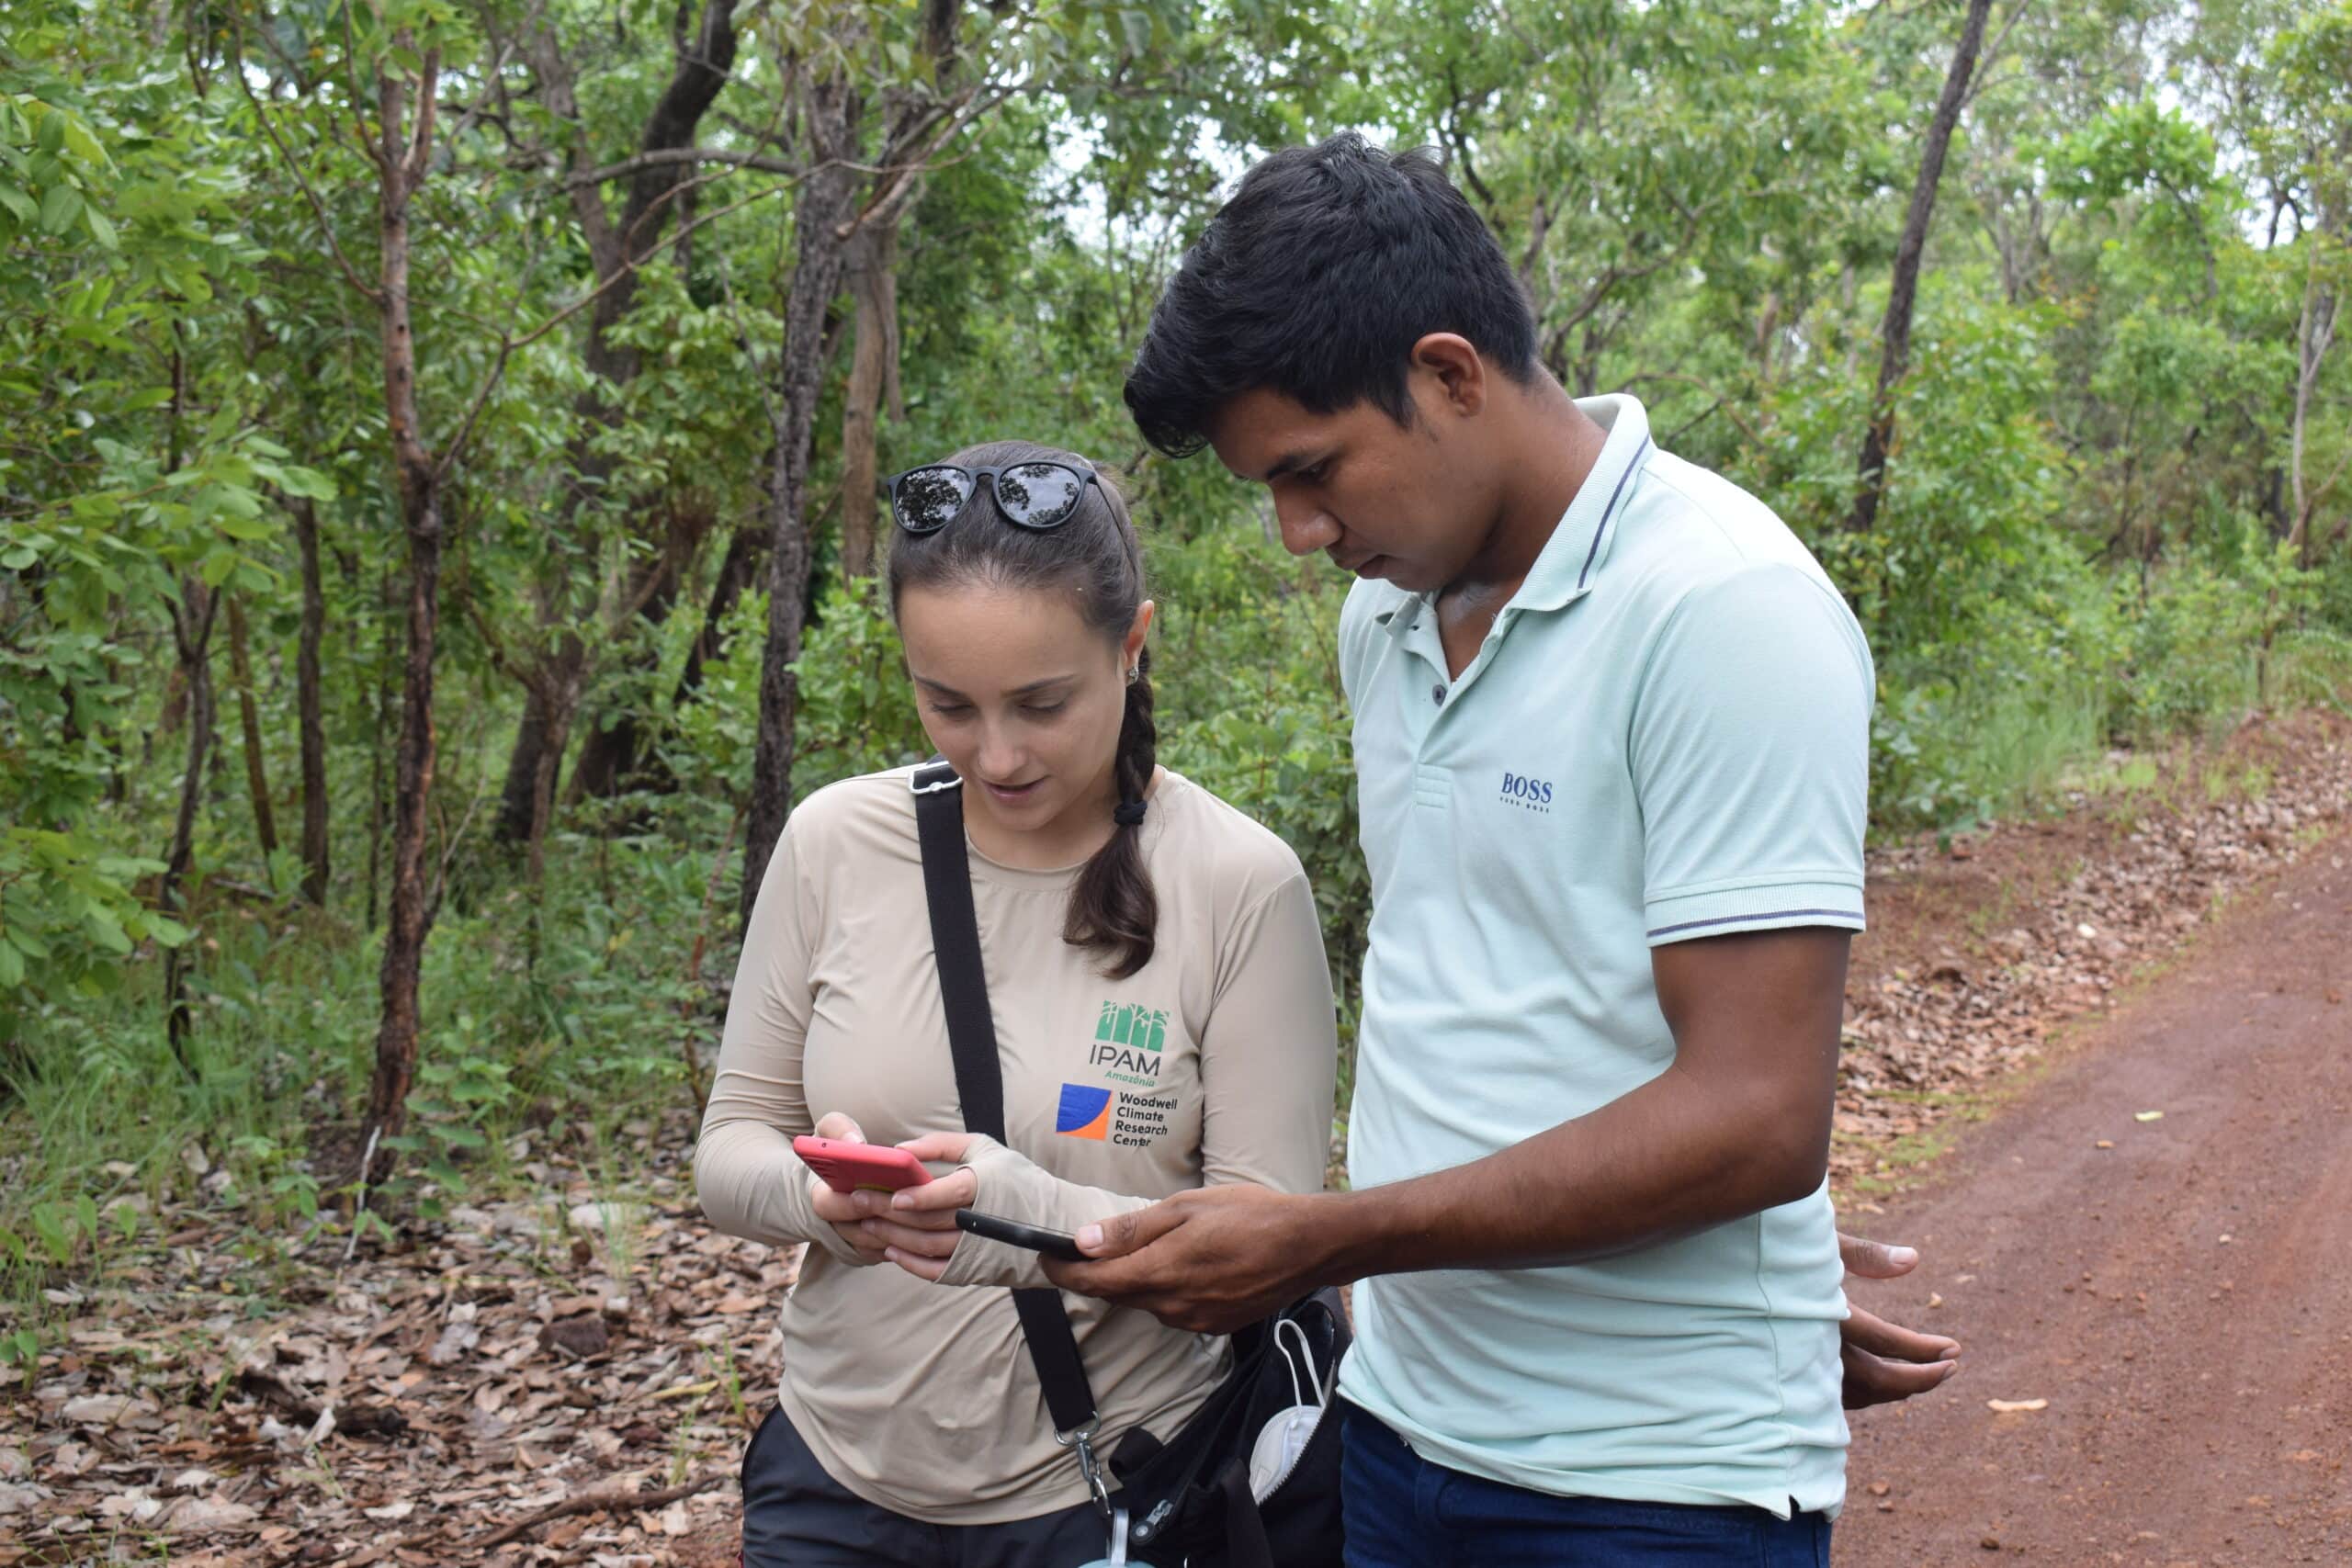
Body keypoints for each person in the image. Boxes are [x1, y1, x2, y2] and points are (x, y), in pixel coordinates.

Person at [1046, 133, 1958, 1564]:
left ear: (1450, 373)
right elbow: (1491, 996)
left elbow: (1758, 1113)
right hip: (1403, 1427)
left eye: (1312, 470)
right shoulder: (1388, 613)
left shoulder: (1722, 608)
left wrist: (1331, 1233)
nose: (1296, 532)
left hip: (1646, 1482)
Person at [695, 440, 1340, 1566]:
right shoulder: (836, 843)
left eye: (1042, 704)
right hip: (833, 1486)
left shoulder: (1237, 885)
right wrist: (820, 1202)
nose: (996, 755)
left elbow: (1261, 1258)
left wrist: (1024, 1221)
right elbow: (728, 1148)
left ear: (1132, 645)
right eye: (946, 704)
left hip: (1109, 1493)